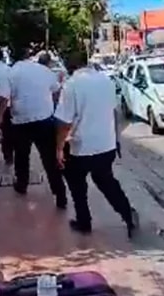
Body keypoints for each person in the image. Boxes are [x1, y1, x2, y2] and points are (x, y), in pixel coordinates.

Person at [54, 52, 139, 238]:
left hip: (80, 147)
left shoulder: (71, 85)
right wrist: (115, 139)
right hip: (105, 144)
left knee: (77, 186)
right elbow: (114, 112)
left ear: (68, 66)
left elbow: (65, 122)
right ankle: (128, 215)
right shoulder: (105, 81)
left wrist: (59, 148)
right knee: (107, 182)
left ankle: (84, 222)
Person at [0, 48, 68, 209]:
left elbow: (3, 98)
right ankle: (60, 193)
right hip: (44, 119)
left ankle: (22, 184)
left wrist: (0, 117)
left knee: (22, 156)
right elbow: (56, 91)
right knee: (49, 159)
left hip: (21, 121)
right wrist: (53, 106)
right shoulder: (43, 71)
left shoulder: (11, 73)